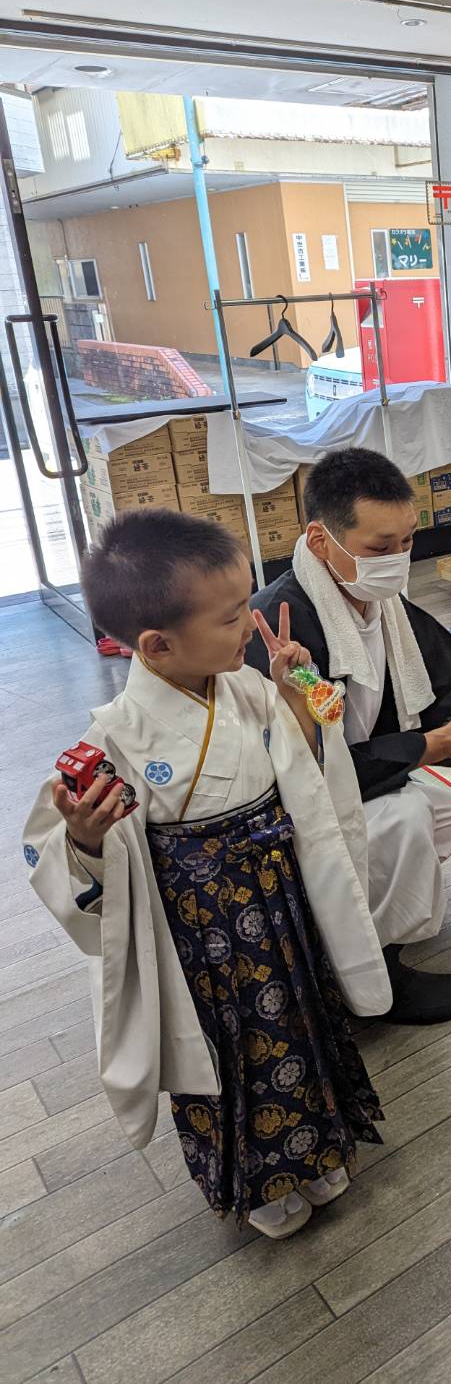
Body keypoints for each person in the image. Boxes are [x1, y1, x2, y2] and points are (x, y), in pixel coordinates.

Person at [22, 512, 389, 1239]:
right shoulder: (114, 737)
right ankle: (259, 1183)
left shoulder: (247, 688)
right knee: (234, 1047)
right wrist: (87, 838)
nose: (248, 624)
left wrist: (294, 688)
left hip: (281, 900)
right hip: (201, 933)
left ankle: (318, 1150)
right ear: (156, 645)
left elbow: (307, 764)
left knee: (302, 1020)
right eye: (230, 618)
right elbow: (57, 857)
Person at [248, 449, 451, 1023]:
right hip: (287, 814)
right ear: (321, 538)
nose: (399, 561)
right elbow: (299, 771)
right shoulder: (281, 632)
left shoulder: (381, 603)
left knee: (449, 817)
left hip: (354, 780)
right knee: (405, 819)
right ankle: (370, 973)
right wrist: (433, 746)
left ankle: (364, 922)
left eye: (407, 542)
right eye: (381, 548)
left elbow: (445, 681)